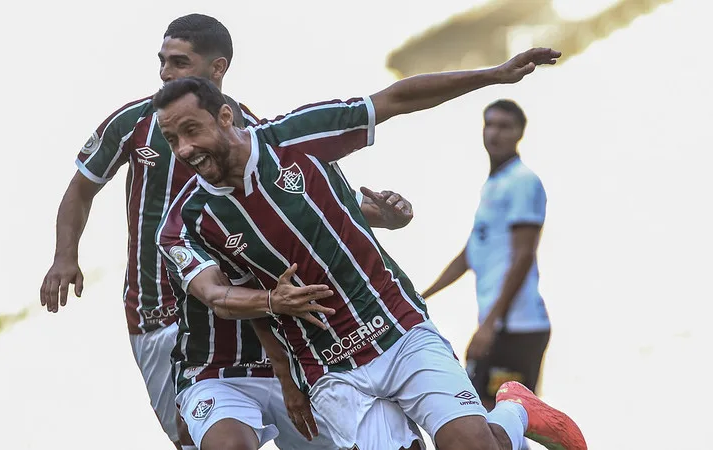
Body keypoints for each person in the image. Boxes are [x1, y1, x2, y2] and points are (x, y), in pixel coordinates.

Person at [155, 47, 587, 450]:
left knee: (471, 444)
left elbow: (395, 99)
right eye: (173, 140)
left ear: (225, 116)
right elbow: (218, 296)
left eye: (192, 130)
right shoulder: (186, 220)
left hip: (396, 328)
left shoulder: (294, 138)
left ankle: (515, 411)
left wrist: (492, 75)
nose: (185, 149)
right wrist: (284, 361)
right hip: (328, 368)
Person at [40, 13, 413, 449]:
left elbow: (318, 210)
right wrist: (65, 255)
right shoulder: (133, 122)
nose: (165, 73)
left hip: (254, 312)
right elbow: (81, 188)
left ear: (217, 69)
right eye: (162, 61)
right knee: (193, 439)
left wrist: (383, 216)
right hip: (160, 315)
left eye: (179, 62)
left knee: (324, 436)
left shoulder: (252, 134)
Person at [421, 100, 551, 417]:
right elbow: (470, 253)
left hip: (516, 328)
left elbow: (523, 257)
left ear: (520, 132)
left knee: (501, 419)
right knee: (483, 414)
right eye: (489, 124)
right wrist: (420, 296)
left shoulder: (522, 181)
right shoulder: (494, 184)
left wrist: (490, 326)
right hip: (498, 326)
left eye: (504, 126)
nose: (494, 133)